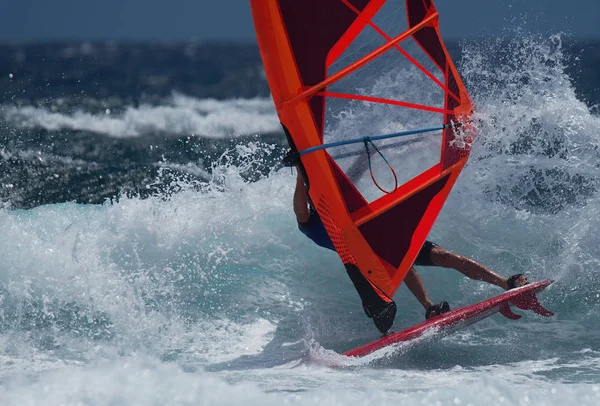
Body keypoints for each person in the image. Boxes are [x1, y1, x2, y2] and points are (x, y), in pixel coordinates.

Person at [292, 171, 528, 333]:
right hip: (365, 261)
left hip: (387, 238)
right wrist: (301, 173)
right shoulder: (309, 223)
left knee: (445, 257)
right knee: (399, 266)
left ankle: (505, 283)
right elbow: (300, 208)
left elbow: (346, 179)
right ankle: (428, 308)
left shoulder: (341, 209)